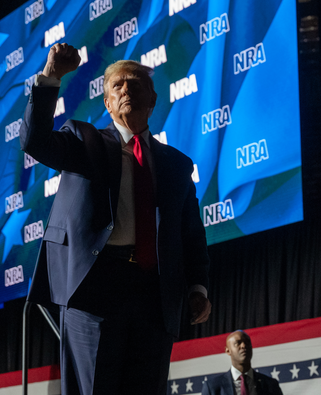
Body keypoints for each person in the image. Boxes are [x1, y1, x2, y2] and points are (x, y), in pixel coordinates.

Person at [20, 43, 211, 395]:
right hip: (93, 287)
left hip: (153, 294)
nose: (126, 90)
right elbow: (34, 141)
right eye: (117, 86)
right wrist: (51, 77)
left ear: (152, 99)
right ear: (107, 104)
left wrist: (197, 287)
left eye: (135, 84)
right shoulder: (83, 139)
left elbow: (190, 233)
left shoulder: (176, 164)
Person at [202, 330, 283, 395]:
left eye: (247, 342)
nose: (244, 346)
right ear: (227, 350)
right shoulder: (212, 387)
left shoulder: (271, 384)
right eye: (237, 343)